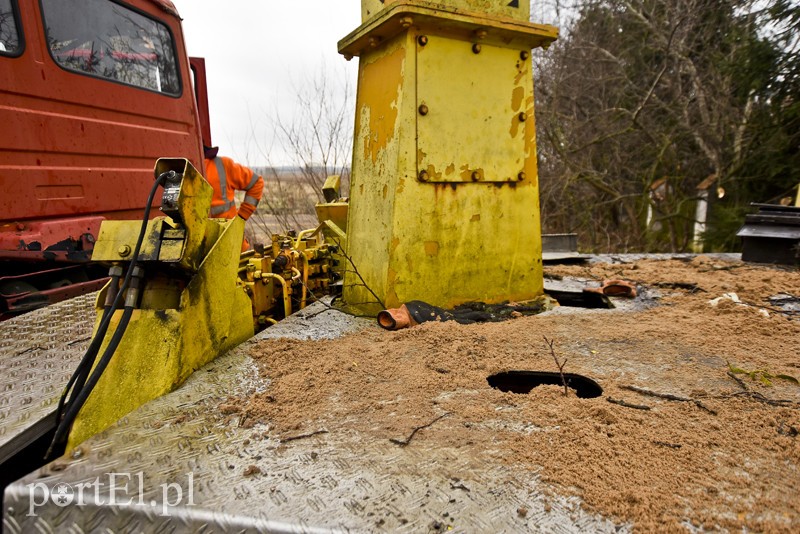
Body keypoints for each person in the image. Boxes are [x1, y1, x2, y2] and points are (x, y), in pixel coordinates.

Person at [203, 146, 264, 249]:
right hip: (201, 249)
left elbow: (256, 182)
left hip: (231, 245)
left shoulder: (222, 164)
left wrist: (242, 216)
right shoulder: (179, 168)